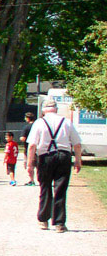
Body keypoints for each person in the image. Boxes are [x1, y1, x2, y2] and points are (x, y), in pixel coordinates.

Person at [27, 99, 83, 232]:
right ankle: (59, 223)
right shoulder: (66, 122)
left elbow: (32, 145)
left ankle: (43, 220)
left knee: (45, 187)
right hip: (63, 156)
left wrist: (30, 164)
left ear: (43, 110)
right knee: (61, 189)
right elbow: (77, 144)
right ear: (56, 109)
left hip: (45, 157)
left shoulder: (39, 123)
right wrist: (78, 160)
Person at [20, 112, 36, 186]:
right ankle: (41, 179)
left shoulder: (26, 127)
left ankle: (31, 180)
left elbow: (23, 138)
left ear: (28, 118)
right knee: (39, 165)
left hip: (29, 148)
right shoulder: (37, 126)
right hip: (39, 148)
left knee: (30, 165)